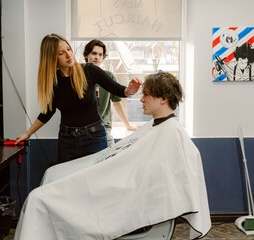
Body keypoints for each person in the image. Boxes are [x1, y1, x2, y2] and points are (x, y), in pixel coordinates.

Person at [14, 71, 211, 240]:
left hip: (120, 188)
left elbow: (149, 179)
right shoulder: (155, 126)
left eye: (147, 95)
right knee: (52, 174)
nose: (141, 99)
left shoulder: (172, 133)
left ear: (163, 98)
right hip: (115, 178)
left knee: (38, 199)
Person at [15, 34, 142, 163]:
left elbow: (118, 89)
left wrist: (129, 90)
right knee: (68, 180)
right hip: (67, 141)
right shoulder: (52, 81)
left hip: (95, 138)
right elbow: (48, 111)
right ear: (51, 58)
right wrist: (28, 133)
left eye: (69, 49)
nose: (69, 55)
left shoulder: (89, 70)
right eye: (61, 53)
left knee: (98, 180)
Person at [83, 40, 138, 146]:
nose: (97, 57)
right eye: (94, 53)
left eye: (100, 55)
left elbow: (117, 102)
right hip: (83, 130)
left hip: (104, 129)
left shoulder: (108, 76)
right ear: (86, 55)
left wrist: (128, 125)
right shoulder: (77, 77)